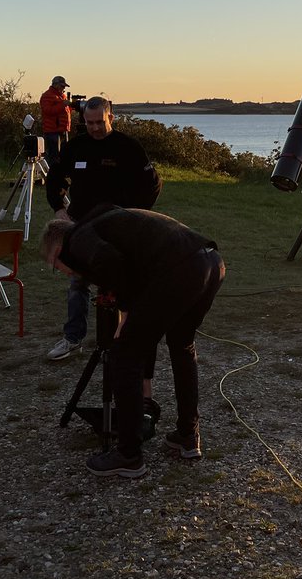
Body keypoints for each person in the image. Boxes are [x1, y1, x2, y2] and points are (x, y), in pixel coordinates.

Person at [40, 207, 224, 478]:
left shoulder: (78, 239)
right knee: (182, 346)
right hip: (210, 261)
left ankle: (128, 454)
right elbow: (129, 265)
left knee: (124, 356)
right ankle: (188, 434)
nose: (67, 273)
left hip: (180, 268)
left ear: (58, 250)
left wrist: (125, 312)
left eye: (57, 267)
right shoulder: (101, 224)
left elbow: (112, 264)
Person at [44, 95, 162, 361]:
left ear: (111, 118)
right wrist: (59, 208)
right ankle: (73, 338)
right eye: (89, 123)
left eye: (100, 122)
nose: (95, 128)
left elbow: (152, 183)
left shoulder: (127, 146)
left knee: (118, 284)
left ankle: (119, 339)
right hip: (81, 225)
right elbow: (55, 177)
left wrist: (135, 214)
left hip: (118, 227)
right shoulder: (76, 146)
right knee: (78, 282)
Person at [39, 76, 74, 164]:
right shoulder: (47, 96)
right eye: (62, 86)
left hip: (63, 130)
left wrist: (71, 105)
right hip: (52, 131)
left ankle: (62, 170)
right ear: (56, 85)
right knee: (54, 156)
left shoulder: (62, 96)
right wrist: (63, 105)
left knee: (64, 154)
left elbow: (66, 112)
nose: (63, 88)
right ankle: (52, 171)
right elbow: (48, 110)